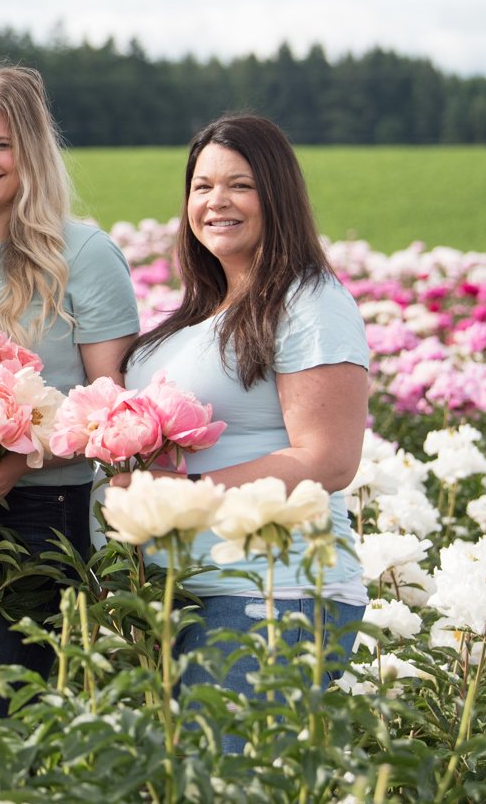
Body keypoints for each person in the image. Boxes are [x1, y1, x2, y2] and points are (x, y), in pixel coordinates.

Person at [118, 114, 369, 719]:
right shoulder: (196, 317)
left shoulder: (309, 300)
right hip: (181, 591)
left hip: (270, 593)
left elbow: (328, 460)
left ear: (277, 195)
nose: (216, 201)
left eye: (240, 185)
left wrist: (184, 495)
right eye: (201, 187)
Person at [0, 66, 139, 681]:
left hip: (41, 511)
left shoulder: (84, 256)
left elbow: (111, 414)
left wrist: (21, 460)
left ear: (31, 152)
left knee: (14, 704)